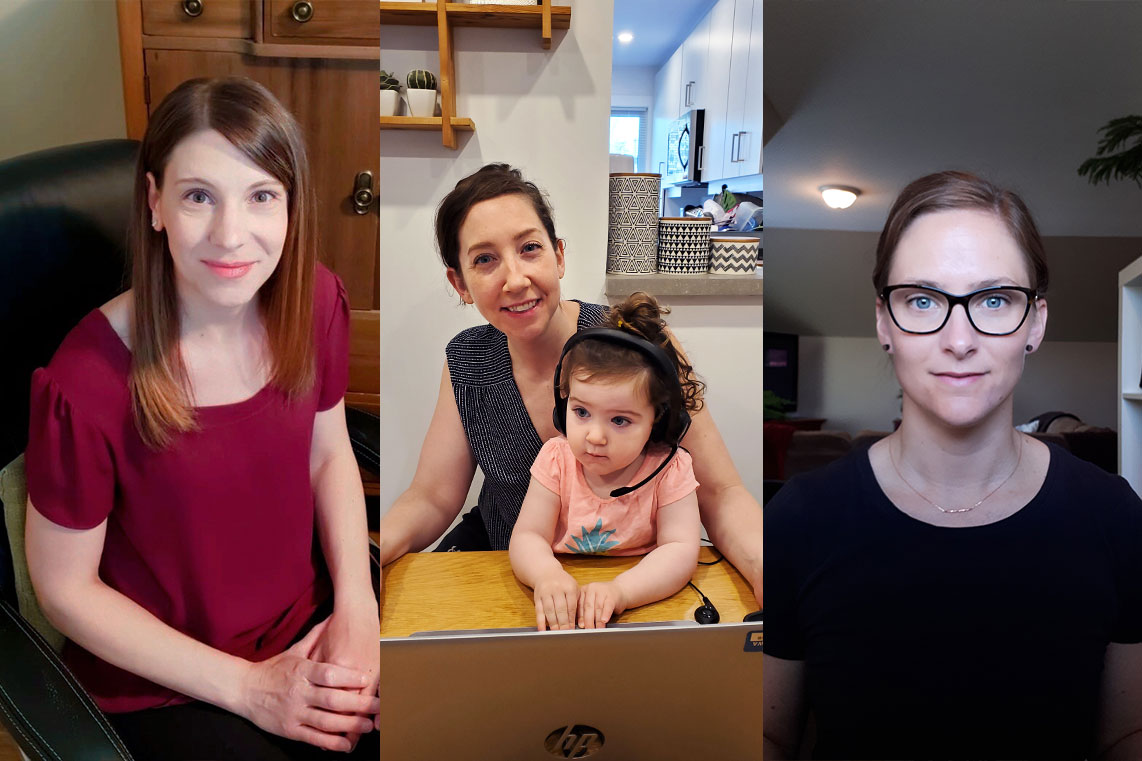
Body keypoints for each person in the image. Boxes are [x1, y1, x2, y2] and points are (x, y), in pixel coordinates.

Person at [23, 78, 379, 760]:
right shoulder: (85, 382)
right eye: (197, 196)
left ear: (291, 207)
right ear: (155, 202)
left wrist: (358, 608)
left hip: (306, 622)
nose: (231, 235)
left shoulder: (317, 300)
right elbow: (64, 589)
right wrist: (249, 688)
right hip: (168, 679)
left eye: (261, 196)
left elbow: (329, 451)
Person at [763, 171, 1142, 760]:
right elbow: (768, 737)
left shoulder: (1114, 516)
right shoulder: (799, 519)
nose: (959, 338)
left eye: (994, 299)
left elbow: (1126, 736)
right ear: (885, 323)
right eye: (922, 299)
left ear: (1035, 322)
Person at [377, 163, 762, 608]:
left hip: (637, 584)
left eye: (530, 248)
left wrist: (760, 564)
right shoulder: (467, 360)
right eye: (485, 259)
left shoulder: (638, 342)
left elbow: (720, 491)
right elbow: (431, 497)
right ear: (460, 283)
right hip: (512, 576)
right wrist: (375, 552)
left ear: (558, 256)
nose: (515, 279)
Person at [508, 292, 702, 631]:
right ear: (562, 404)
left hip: (643, 603)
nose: (594, 436)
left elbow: (680, 550)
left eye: (620, 420)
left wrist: (622, 591)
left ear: (657, 420)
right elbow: (527, 537)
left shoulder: (671, 469)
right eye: (581, 412)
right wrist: (546, 576)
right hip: (561, 601)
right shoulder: (557, 459)